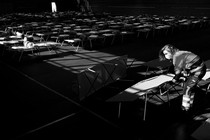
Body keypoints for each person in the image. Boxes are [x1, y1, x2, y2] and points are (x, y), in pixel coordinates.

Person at [159, 44, 206, 115]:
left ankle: (185, 109)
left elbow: (177, 71)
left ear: (171, 51)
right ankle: (189, 106)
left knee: (187, 88)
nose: (165, 56)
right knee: (189, 88)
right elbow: (184, 65)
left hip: (198, 71)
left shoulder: (176, 56)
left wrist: (174, 80)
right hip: (196, 69)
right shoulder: (179, 53)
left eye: (166, 53)